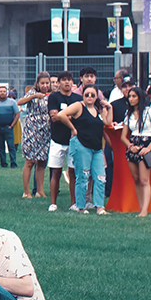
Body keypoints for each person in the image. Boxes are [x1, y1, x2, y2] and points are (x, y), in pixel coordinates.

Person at [54, 85, 110, 214]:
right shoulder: (79, 106)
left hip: (96, 148)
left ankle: (100, 207)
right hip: (81, 145)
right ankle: (81, 206)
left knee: (101, 177)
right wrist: (73, 129)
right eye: (86, 94)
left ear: (97, 96)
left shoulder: (97, 109)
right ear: (82, 95)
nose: (89, 97)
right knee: (82, 176)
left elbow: (107, 122)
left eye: (92, 95)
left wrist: (109, 108)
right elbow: (62, 115)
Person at [121, 86, 151, 217]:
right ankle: (140, 208)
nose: (131, 99)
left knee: (145, 180)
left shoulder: (149, 112)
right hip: (133, 145)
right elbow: (123, 136)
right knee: (136, 179)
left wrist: (149, 148)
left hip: (146, 144)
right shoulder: (128, 114)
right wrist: (130, 145)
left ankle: (144, 210)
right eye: (130, 96)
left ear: (139, 97)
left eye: (134, 96)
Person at [47, 72, 81, 212]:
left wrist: (63, 115)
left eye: (69, 80)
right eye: (64, 80)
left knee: (73, 172)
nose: (67, 83)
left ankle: (73, 202)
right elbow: (54, 117)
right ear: (59, 82)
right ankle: (53, 203)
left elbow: (79, 117)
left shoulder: (77, 98)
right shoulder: (53, 97)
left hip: (73, 140)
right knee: (56, 171)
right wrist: (70, 115)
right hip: (57, 140)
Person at [18, 72, 51, 198]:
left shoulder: (51, 95)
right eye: (42, 83)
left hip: (45, 131)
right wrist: (34, 96)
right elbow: (20, 102)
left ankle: (40, 191)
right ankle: (26, 191)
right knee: (30, 161)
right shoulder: (32, 93)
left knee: (42, 161)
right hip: (32, 130)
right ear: (37, 83)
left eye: (47, 83)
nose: (45, 85)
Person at [0, 84, 20, 168]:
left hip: (8, 127)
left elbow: (17, 114)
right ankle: (3, 163)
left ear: (7, 93)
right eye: (0, 91)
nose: (2, 93)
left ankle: (13, 163)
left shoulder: (12, 102)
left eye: (4, 91)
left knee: (11, 146)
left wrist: (12, 125)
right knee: (1, 147)